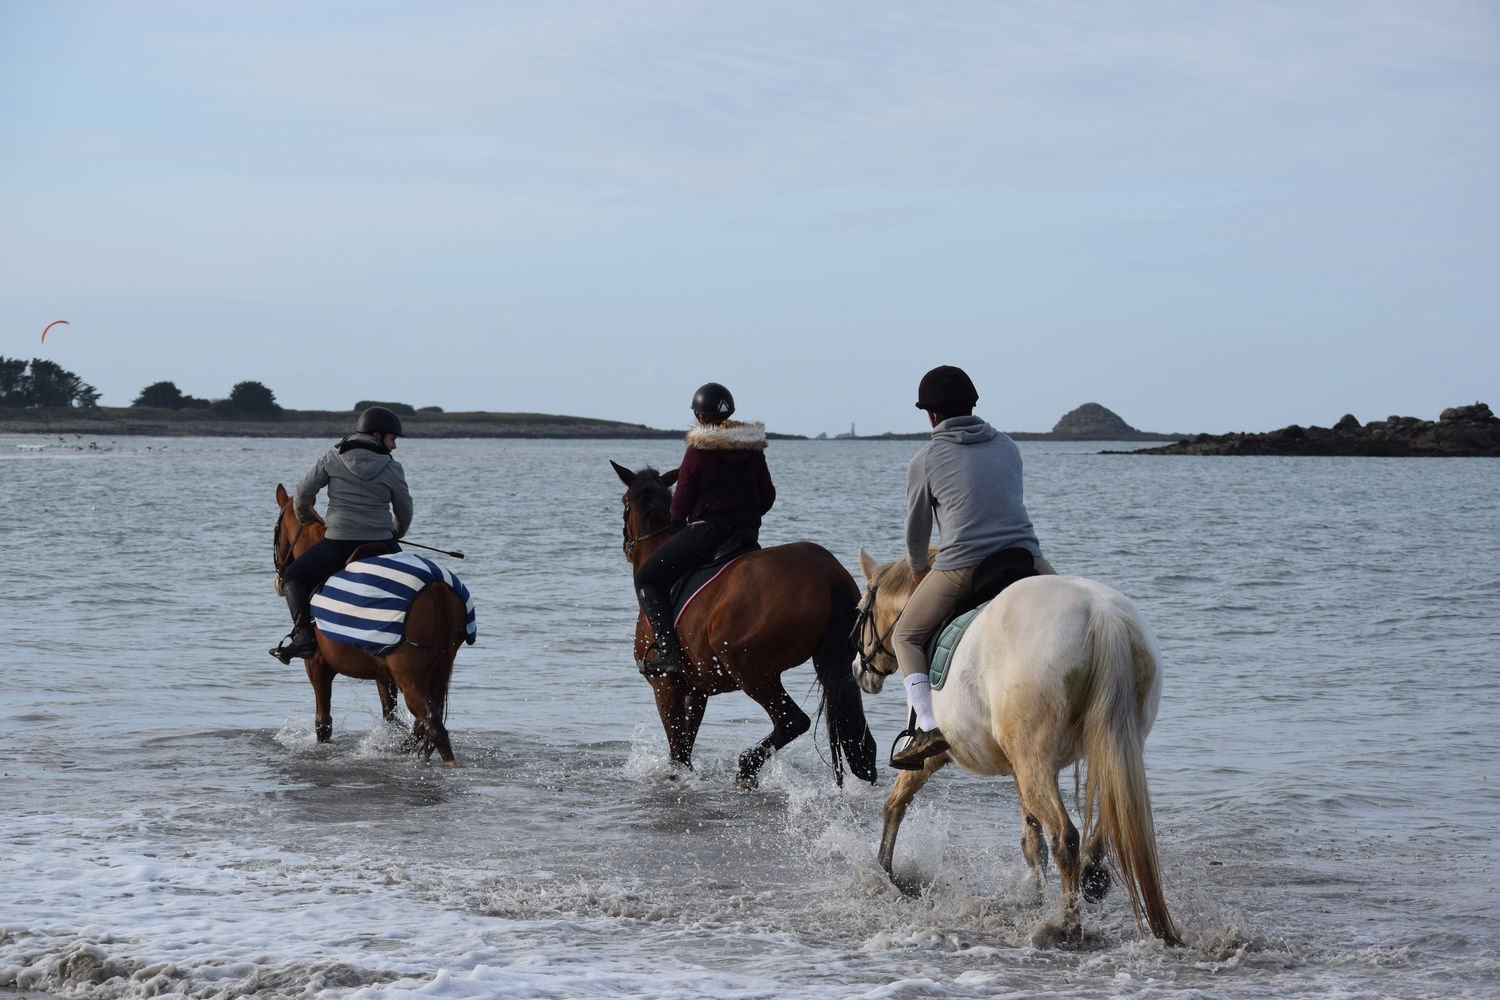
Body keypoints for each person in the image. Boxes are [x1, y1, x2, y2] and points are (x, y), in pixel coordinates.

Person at [889, 365, 1056, 769]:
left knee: (906, 637)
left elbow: (917, 532)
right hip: (1027, 556)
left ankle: (926, 727)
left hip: (964, 564)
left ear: (931, 415)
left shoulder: (925, 459)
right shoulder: (1009, 446)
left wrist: (916, 570)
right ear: (973, 405)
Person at [633, 382, 775, 676]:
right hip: (747, 534)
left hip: (708, 533)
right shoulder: (751, 446)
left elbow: (678, 508)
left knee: (647, 577)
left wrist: (682, 519)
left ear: (699, 417)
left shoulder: (699, 450)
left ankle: (668, 652)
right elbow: (768, 497)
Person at [270, 405, 413, 663]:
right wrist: (394, 533)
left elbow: (301, 495)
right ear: (378, 435)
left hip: (338, 544)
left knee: (293, 576)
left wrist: (303, 516)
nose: (394, 446)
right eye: (393, 439)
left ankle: (303, 637)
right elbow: (404, 510)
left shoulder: (331, 457)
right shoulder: (393, 468)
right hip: (383, 543)